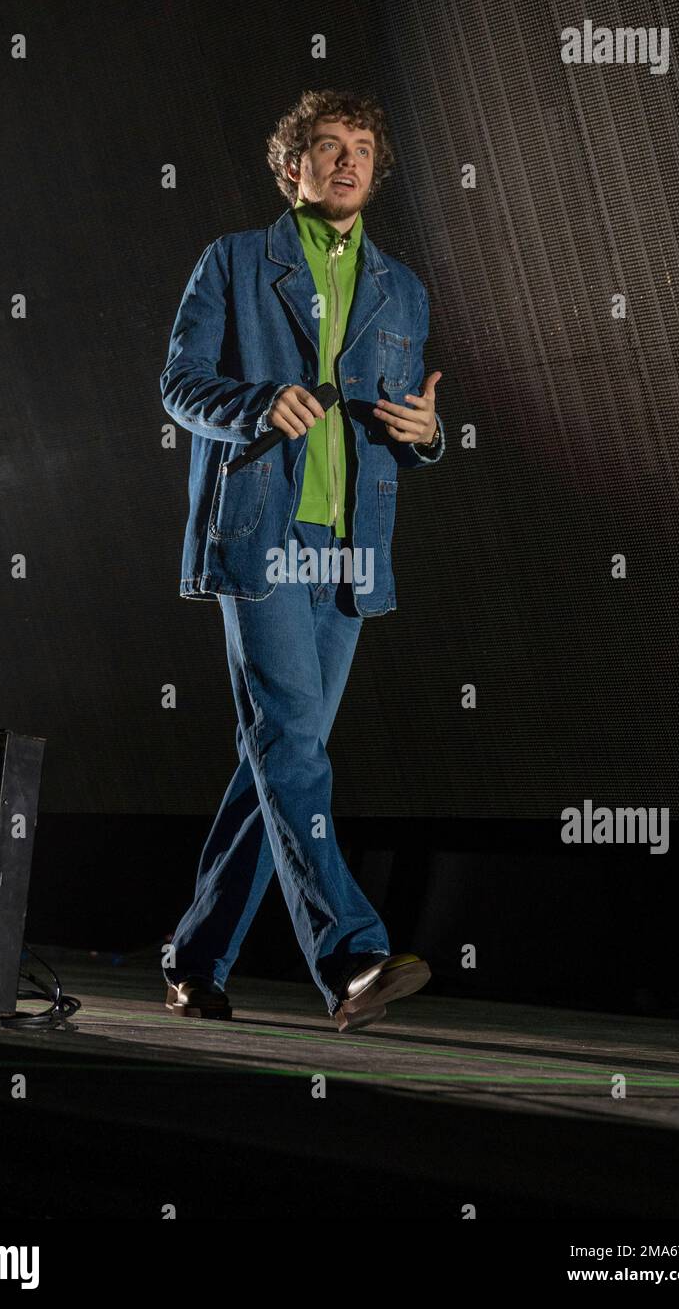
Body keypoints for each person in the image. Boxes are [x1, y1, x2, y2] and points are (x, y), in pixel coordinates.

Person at [158, 89, 445, 1032]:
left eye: (364, 147)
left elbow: (403, 426)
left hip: (351, 553)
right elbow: (179, 386)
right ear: (293, 169)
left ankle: (194, 958)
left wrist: (426, 432)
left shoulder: (402, 287)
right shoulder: (237, 261)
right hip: (263, 537)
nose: (350, 161)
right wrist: (254, 403)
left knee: (280, 757)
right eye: (330, 147)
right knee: (292, 745)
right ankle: (354, 955)